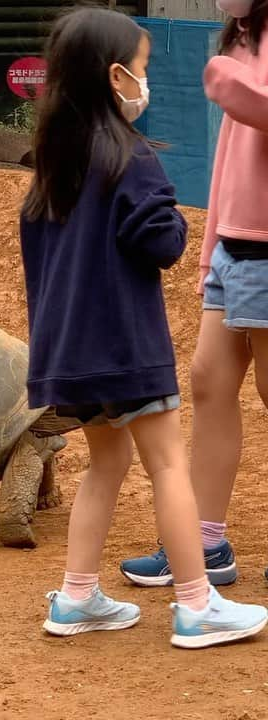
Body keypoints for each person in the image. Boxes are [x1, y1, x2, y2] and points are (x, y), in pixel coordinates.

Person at [20, 7, 267, 648]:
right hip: (129, 349)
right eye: (145, 68)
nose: (145, 81)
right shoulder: (130, 159)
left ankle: (76, 598)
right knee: (167, 466)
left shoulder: (51, 165)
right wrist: (179, 224)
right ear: (116, 77)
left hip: (69, 356)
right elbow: (161, 241)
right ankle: (196, 605)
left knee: (107, 465)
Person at [120, 0, 268, 586]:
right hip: (234, 247)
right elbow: (233, 163)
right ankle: (206, 542)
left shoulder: (236, 61)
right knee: (209, 384)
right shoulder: (242, 38)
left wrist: (233, 84)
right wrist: (212, 253)